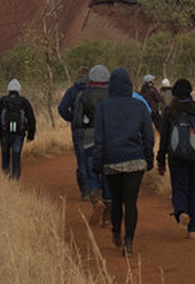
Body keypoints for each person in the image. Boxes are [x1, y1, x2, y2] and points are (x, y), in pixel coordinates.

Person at [93, 67, 154, 256]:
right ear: (129, 85)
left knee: (117, 200)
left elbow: (99, 139)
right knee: (131, 202)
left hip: (112, 161)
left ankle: (115, 232)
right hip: (136, 160)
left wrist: (97, 163)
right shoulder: (140, 106)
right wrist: (149, 158)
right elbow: (148, 136)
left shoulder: (103, 106)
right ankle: (129, 242)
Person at [156, 78, 195, 238]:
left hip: (176, 159)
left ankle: (181, 212)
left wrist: (161, 161)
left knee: (179, 189)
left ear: (174, 93)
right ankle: (193, 231)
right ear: (190, 91)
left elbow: (164, 139)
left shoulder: (170, 111)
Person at [72, 64, 111, 225]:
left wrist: (88, 123)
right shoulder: (113, 94)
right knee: (108, 173)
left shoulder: (83, 95)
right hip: (110, 139)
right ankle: (107, 218)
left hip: (90, 139)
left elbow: (77, 122)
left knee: (92, 172)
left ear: (91, 79)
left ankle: (96, 201)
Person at [0, 78, 36, 179]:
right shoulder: (24, 101)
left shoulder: (2, 101)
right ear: (19, 89)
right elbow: (31, 119)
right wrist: (30, 135)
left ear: (8, 89)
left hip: (4, 133)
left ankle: (6, 180)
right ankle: (15, 182)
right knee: (16, 157)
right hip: (19, 134)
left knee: (5, 156)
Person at [57, 66, 89, 198]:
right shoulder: (93, 90)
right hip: (94, 129)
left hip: (78, 130)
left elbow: (62, 108)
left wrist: (73, 118)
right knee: (95, 158)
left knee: (82, 160)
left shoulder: (72, 91)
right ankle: (96, 190)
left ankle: (85, 192)